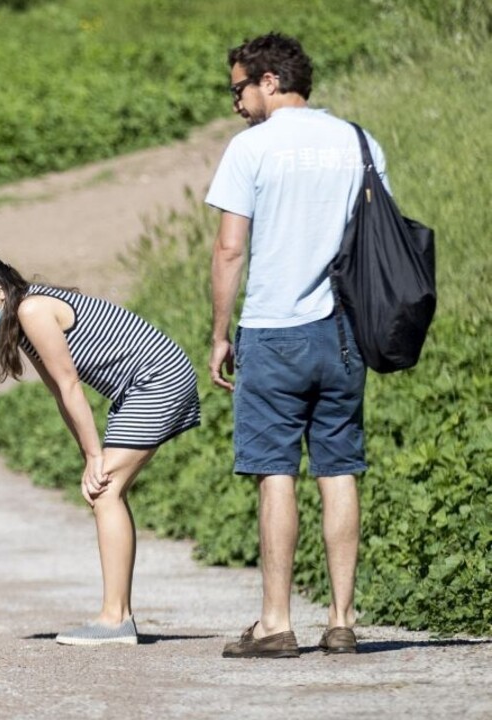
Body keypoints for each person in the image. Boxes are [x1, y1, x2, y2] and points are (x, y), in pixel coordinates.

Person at [206, 33, 388, 658]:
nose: (236, 104)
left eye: (239, 89)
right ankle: (340, 619)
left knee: (274, 472)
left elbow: (231, 248)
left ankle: (276, 623)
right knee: (339, 469)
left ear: (269, 81)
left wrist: (219, 332)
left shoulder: (250, 148)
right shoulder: (360, 142)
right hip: (343, 332)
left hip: (273, 330)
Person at [0, 250, 200, 646]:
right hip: (135, 390)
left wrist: (97, 459)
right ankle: (121, 616)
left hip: (157, 378)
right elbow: (59, 395)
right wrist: (89, 456)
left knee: (105, 490)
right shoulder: (22, 325)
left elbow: (70, 385)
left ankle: (115, 620)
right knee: (105, 489)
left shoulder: (31, 310)